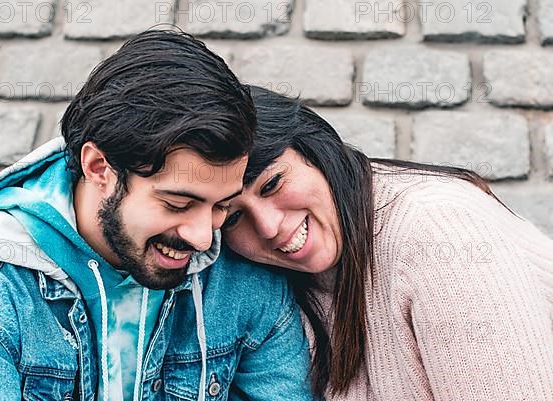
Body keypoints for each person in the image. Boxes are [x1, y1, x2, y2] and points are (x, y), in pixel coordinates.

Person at [0, 33, 316, 401]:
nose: (203, 237)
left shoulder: (244, 285)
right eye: (178, 204)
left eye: (222, 206)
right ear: (99, 168)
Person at [221, 86, 553, 401]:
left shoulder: (440, 231)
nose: (268, 227)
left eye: (273, 184)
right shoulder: (267, 287)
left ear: (314, 147)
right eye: (233, 217)